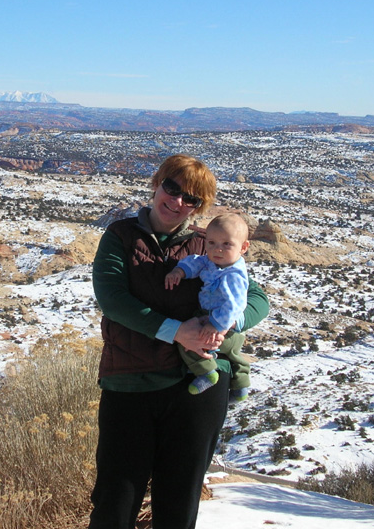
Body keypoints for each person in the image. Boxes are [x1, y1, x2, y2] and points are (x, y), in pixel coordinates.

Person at [90, 154, 270, 529]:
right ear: (157, 184)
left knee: (178, 503)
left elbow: (257, 299)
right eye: (172, 189)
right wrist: (176, 330)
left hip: (195, 390)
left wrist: (226, 324)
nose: (177, 202)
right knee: (115, 501)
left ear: (200, 207)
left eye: (192, 199)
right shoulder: (121, 236)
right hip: (131, 382)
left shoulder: (211, 245)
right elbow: (112, 300)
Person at [164, 212, 252, 401]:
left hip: (222, 323)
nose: (217, 250)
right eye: (211, 243)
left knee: (193, 344)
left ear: (243, 247)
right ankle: (241, 385)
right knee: (232, 354)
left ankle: (206, 373)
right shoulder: (215, 263)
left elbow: (234, 305)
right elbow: (196, 261)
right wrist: (180, 271)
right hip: (225, 326)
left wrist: (216, 325)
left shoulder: (233, 275)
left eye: (226, 244)